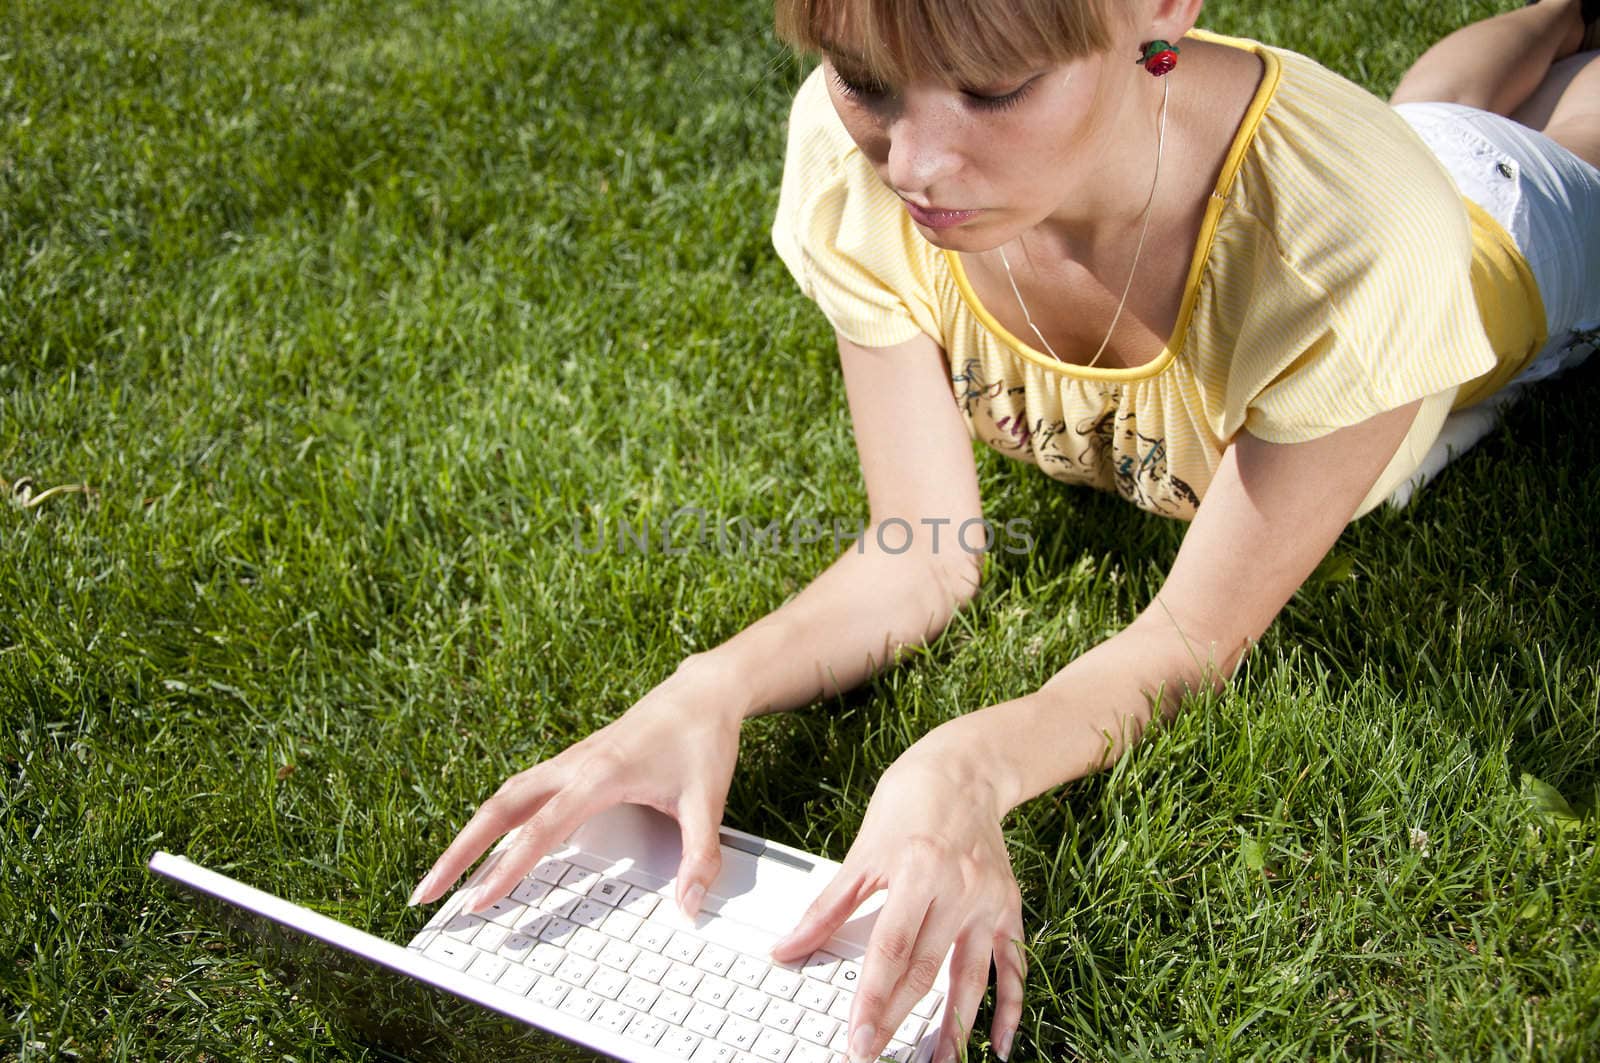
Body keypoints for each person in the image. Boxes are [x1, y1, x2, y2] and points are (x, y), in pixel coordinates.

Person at [409, 1, 1600, 1059]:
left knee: (1530, 149)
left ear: (1160, 11)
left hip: (1511, 241)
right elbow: (921, 547)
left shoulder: (1360, 247)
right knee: (1437, 104)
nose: (914, 163)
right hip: (1389, 160)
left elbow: (1189, 637)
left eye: (994, 90)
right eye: (866, 81)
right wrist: (705, 687)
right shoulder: (854, 158)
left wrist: (964, 763)